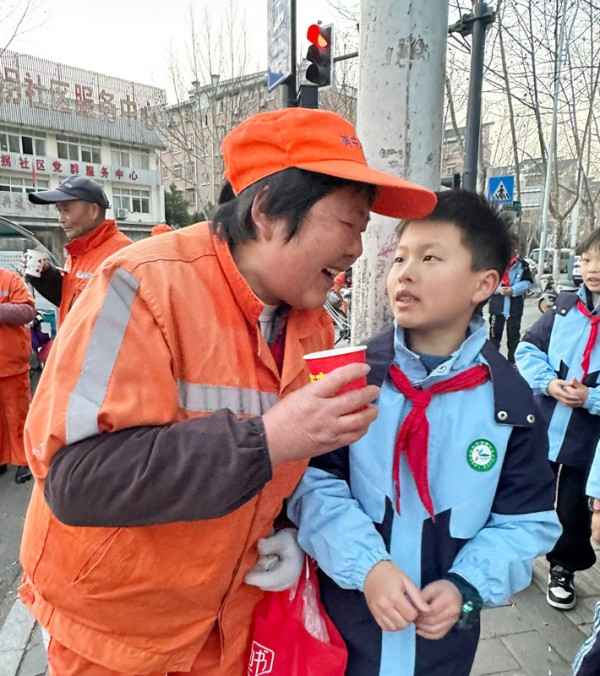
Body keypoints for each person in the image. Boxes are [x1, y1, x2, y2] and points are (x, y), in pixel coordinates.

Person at [18, 107, 437, 675]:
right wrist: (269, 439)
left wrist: (284, 528)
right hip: (118, 636)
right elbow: (77, 480)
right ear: (265, 211)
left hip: (228, 621)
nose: (358, 251)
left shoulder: (310, 322)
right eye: (350, 224)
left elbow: (286, 460)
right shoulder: (141, 287)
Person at [287, 190, 561, 676]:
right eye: (401, 258)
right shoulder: (355, 378)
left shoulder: (511, 403)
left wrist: (466, 587)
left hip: (443, 642)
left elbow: (525, 521)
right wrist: (368, 567)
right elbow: (312, 485)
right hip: (343, 628)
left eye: (430, 258)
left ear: (485, 284)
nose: (405, 273)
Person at [516, 228, 600, 612]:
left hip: (587, 439)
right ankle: (514, 554)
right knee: (526, 491)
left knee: (571, 507)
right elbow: (527, 348)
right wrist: (548, 383)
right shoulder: (565, 307)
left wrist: (591, 398)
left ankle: (563, 565)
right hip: (543, 424)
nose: (593, 269)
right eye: (586, 260)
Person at [26, 176, 131, 324]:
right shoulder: (78, 252)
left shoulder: (122, 255)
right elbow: (75, 304)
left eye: (66, 210)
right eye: (59, 211)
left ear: (93, 211)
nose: (61, 219)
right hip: (75, 346)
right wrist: (47, 277)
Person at [0, 267, 35, 484]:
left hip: (12, 367)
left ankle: (25, 461)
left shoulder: (9, 279)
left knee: (18, 416)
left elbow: (27, 311)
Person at [488, 233, 533, 363]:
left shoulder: (523, 265)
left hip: (515, 307)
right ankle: (493, 364)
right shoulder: (493, 264)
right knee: (494, 337)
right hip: (497, 306)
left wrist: (513, 290)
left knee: (514, 337)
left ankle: (513, 364)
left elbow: (528, 282)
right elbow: (486, 282)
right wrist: (498, 290)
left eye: (512, 246)